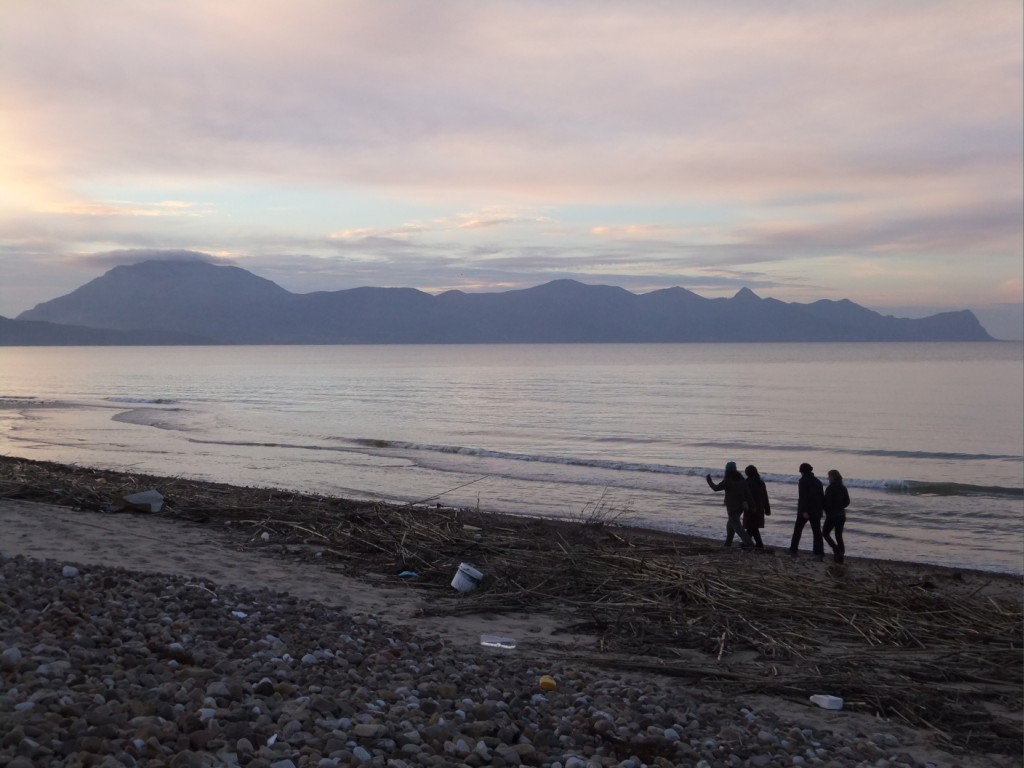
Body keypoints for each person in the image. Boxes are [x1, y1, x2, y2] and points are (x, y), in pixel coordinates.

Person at [706, 461, 756, 549]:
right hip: (740, 507)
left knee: (737, 527)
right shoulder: (741, 480)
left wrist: (709, 480)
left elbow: (715, 488)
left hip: (732, 507)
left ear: (727, 470)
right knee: (730, 525)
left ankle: (749, 544)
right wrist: (752, 506)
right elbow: (748, 494)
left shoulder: (728, 481)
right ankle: (728, 544)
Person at [790, 462, 825, 560]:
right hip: (816, 510)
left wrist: (804, 511)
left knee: (798, 530)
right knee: (817, 532)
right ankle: (819, 552)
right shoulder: (818, 481)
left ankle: (793, 549)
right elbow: (822, 497)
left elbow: (803, 497)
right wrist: (821, 509)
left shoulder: (803, 481)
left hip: (805, 510)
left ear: (802, 471)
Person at [822, 469, 851, 563]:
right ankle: (841, 553)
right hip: (841, 515)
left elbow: (827, 503)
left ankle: (836, 549)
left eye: (829, 476)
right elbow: (847, 502)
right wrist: (840, 506)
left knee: (825, 533)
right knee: (838, 535)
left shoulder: (830, 488)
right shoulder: (843, 488)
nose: (828, 478)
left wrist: (824, 508)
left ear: (833, 477)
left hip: (832, 515)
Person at [742, 464, 771, 549]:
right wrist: (767, 509)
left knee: (752, 527)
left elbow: (745, 497)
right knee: (752, 527)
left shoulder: (747, 483)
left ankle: (758, 544)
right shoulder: (761, 482)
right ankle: (748, 543)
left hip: (751, 508)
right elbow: (765, 496)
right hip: (760, 508)